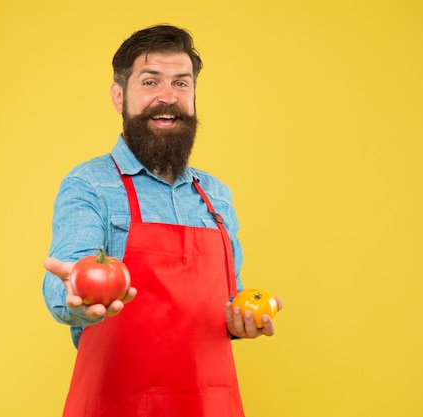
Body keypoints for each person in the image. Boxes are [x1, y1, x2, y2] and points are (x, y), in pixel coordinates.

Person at [42, 24, 283, 417]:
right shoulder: (90, 185)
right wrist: (76, 291)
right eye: (151, 81)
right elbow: (66, 283)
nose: (168, 97)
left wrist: (240, 320)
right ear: (119, 97)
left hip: (209, 405)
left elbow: (227, 303)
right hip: (117, 406)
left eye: (181, 84)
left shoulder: (217, 196)